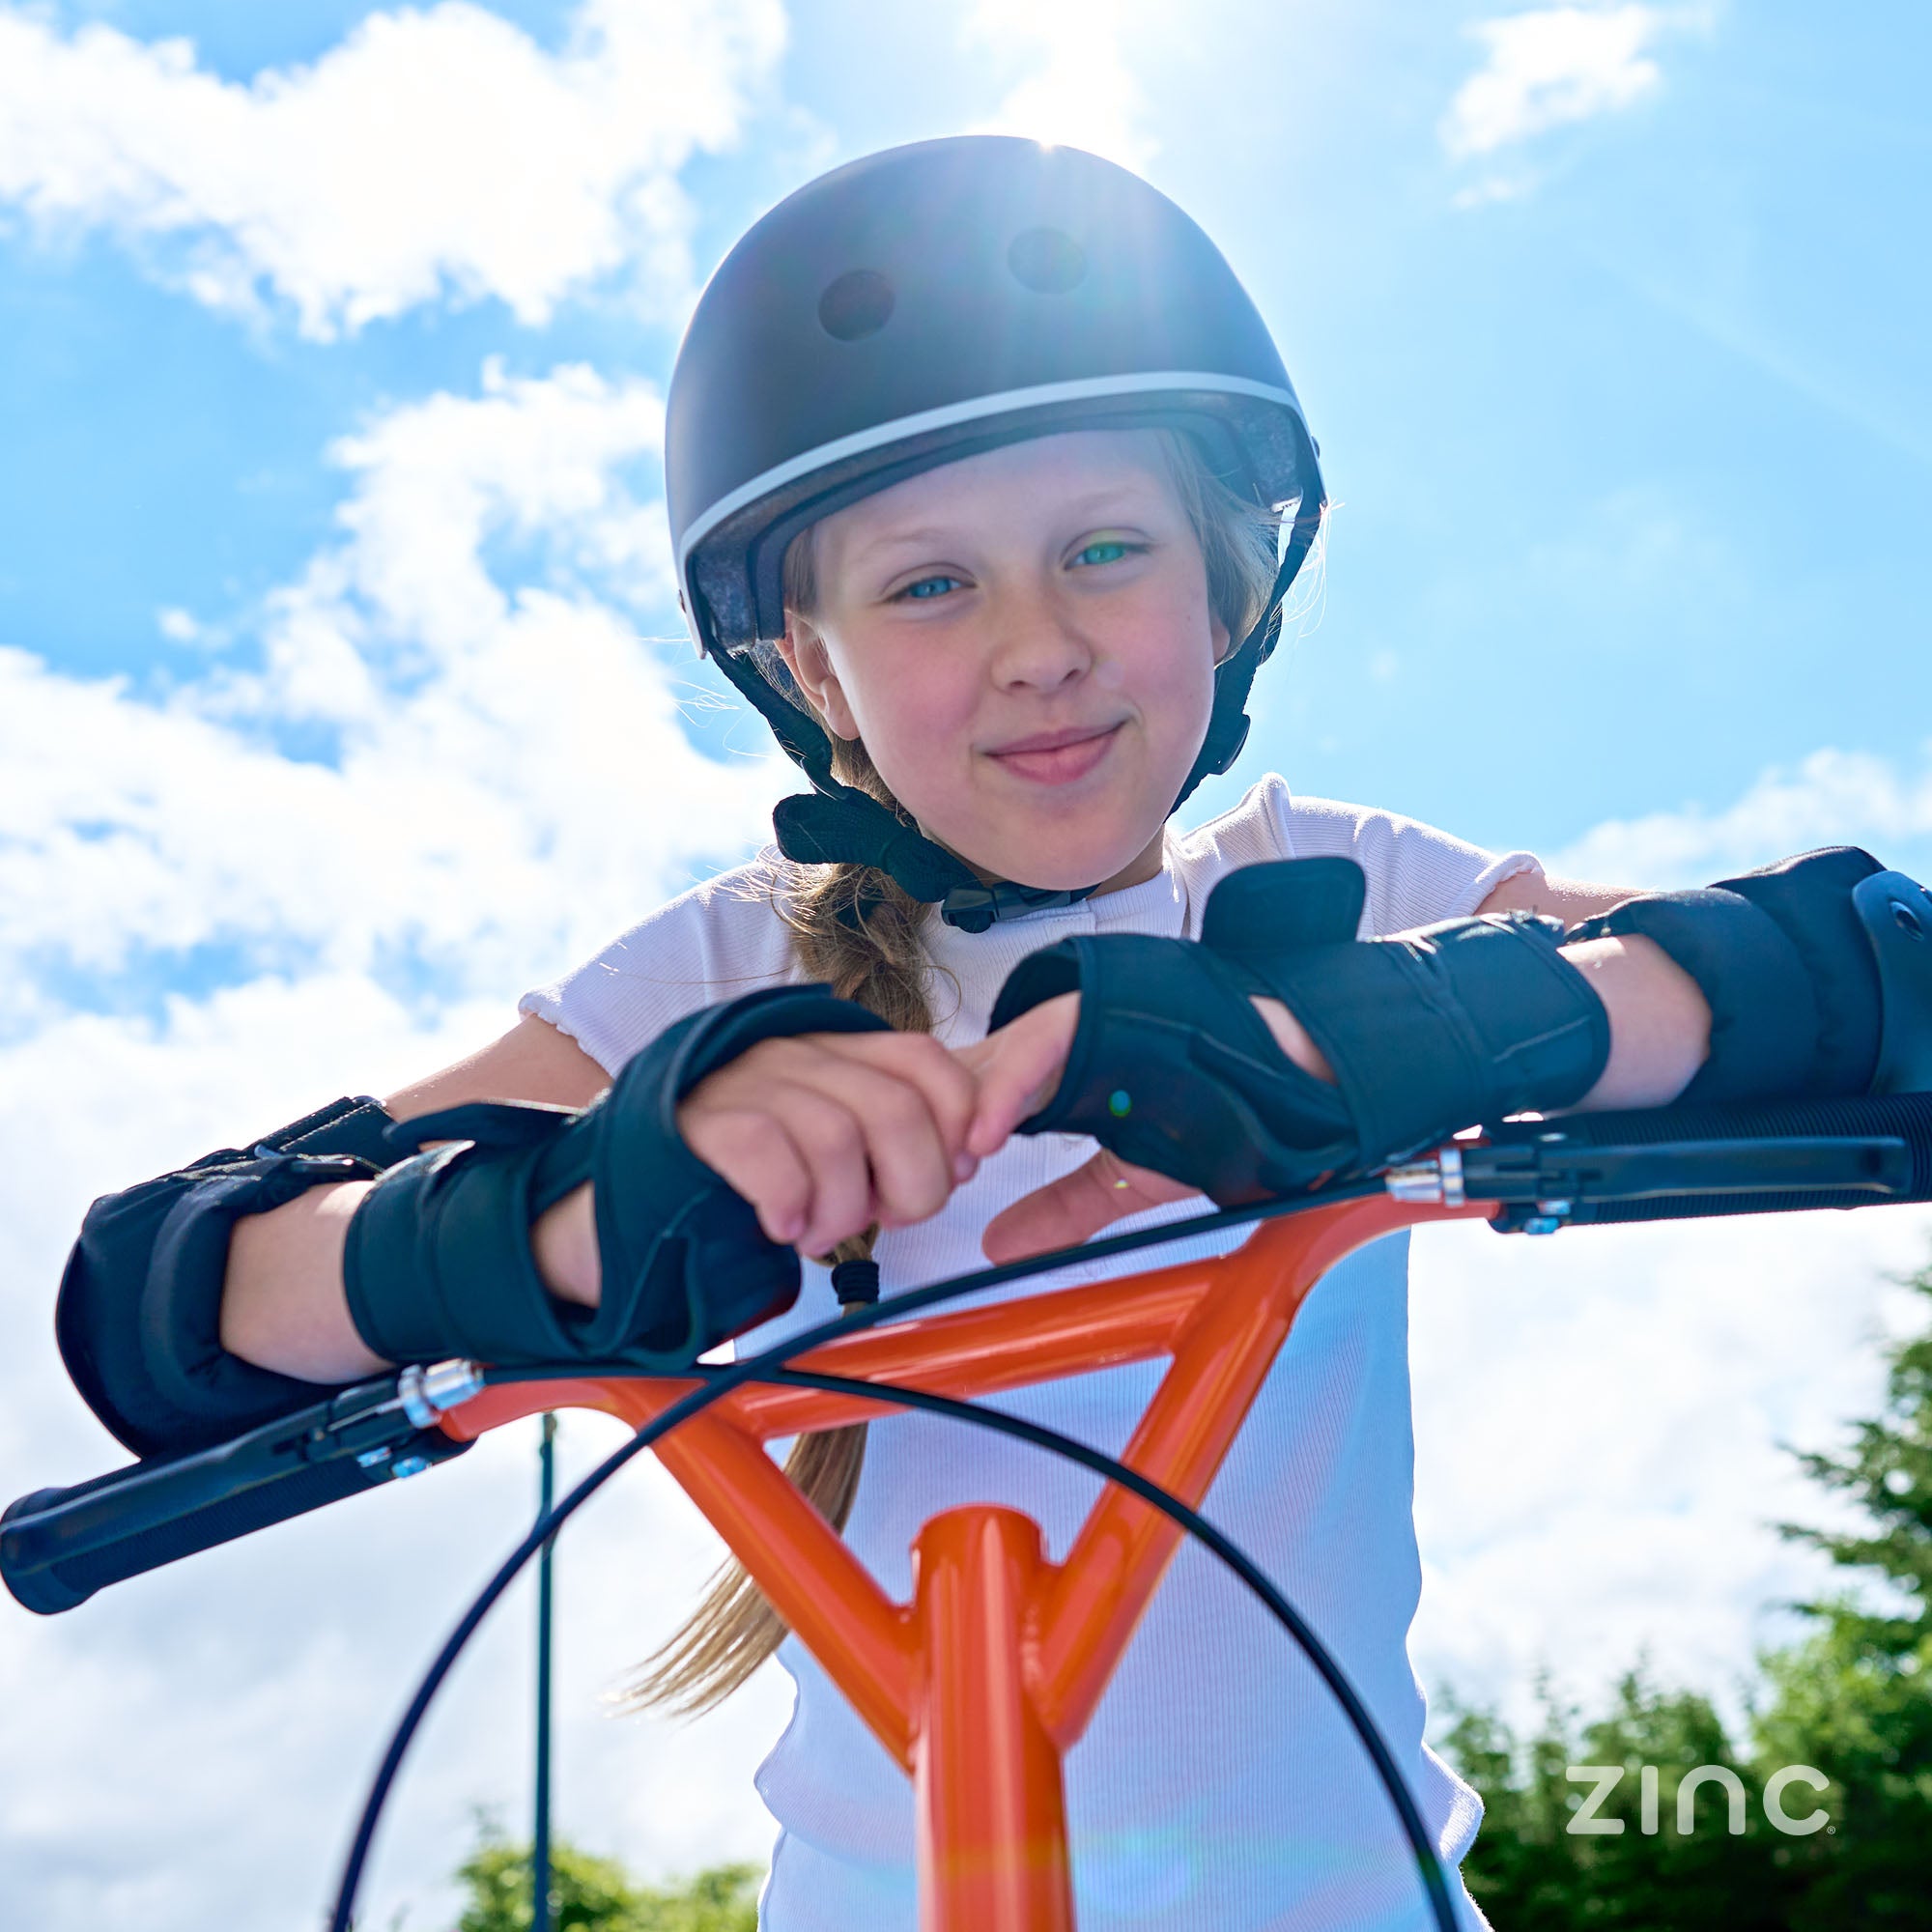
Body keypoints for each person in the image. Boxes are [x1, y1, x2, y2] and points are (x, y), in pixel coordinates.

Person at [54, 137, 1907, 1930]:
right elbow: (164, 1299)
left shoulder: (1331, 884)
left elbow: (1869, 971)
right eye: (931, 583)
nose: (1037, 643)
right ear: (809, 666)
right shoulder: (719, 974)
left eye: (1104, 549)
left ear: (1226, 587)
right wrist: (578, 1213)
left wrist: (1404, 1026)